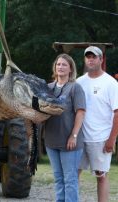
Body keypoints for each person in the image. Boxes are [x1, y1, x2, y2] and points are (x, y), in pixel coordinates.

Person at [77, 46, 118, 202]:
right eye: (88, 57)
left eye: (94, 57)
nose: (91, 59)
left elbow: (117, 113)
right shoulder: (79, 82)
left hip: (100, 139)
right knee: (74, 174)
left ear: (101, 59)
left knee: (101, 176)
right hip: (80, 137)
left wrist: (111, 140)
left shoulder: (110, 83)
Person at [43, 53, 86, 202]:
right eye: (58, 64)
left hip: (70, 142)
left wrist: (73, 135)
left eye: (64, 65)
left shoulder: (75, 88)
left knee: (70, 180)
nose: (60, 67)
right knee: (58, 179)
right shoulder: (48, 88)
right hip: (51, 141)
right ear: (55, 67)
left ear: (70, 69)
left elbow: (80, 113)